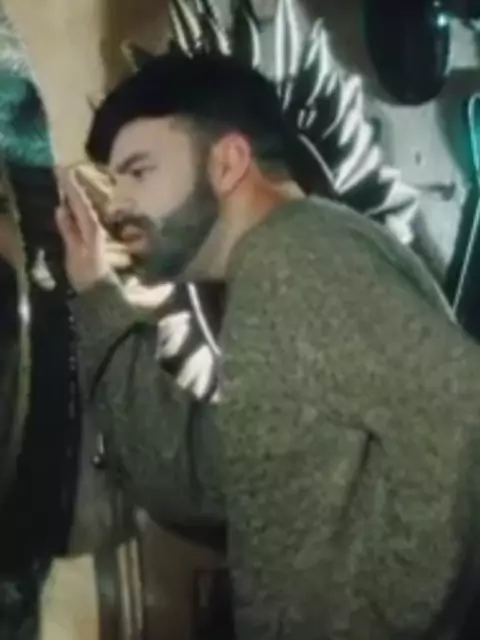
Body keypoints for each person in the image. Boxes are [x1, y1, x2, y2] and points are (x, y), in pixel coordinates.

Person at [56, 51, 480, 639]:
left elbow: (462, 412)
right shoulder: (281, 265)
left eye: (140, 171)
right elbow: (207, 477)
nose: (118, 203)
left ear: (228, 162)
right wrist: (99, 294)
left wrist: (381, 621)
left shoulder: (293, 258)